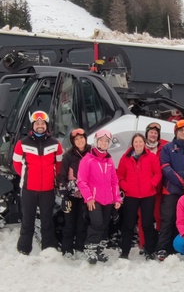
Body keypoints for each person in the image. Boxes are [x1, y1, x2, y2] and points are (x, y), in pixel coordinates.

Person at [13, 111, 63, 255]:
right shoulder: (22, 143)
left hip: (47, 189)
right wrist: (27, 176)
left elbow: (58, 164)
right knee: (27, 220)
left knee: (47, 220)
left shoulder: (55, 143)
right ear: (33, 126)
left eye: (42, 123)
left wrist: (52, 178)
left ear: (46, 125)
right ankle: (23, 249)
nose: (40, 126)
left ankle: (48, 249)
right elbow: (17, 164)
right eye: (37, 123)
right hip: (29, 189)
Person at [155, 119, 184, 261]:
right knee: (168, 219)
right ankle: (162, 248)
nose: (183, 132)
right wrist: (181, 182)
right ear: (176, 132)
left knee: (181, 221)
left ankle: (175, 247)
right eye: (181, 130)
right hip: (171, 191)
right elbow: (165, 168)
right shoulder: (167, 148)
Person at [77, 129, 122, 264]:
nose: (103, 143)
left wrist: (117, 198)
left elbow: (114, 181)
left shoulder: (109, 160)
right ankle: (90, 248)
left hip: (107, 199)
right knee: (96, 223)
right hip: (94, 199)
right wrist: (89, 198)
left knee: (104, 224)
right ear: (96, 142)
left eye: (106, 141)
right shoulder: (88, 159)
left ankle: (99, 249)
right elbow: (81, 181)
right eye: (101, 140)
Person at [117, 133, 162, 260]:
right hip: (131, 196)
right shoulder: (125, 158)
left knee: (147, 224)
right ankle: (125, 252)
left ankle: (150, 250)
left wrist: (152, 184)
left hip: (148, 195)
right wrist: (125, 187)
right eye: (136, 142)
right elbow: (120, 176)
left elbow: (158, 173)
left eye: (140, 142)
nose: (138, 144)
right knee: (128, 224)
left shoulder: (151, 157)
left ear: (144, 143)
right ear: (132, 144)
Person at [57, 128, 91, 259]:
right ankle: (67, 249)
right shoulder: (68, 156)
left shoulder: (91, 153)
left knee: (82, 222)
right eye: (76, 139)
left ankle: (80, 247)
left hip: (86, 194)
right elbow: (62, 176)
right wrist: (64, 194)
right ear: (73, 142)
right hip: (71, 194)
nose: (80, 141)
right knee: (69, 223)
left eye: (81, 138)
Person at [137, 122, 167, 254]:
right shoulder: (139, 147)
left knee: (159, 216)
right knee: (143, 218)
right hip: (143, 191)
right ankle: (144, 244)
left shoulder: (164, 147)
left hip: (159, 189)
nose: (153, 135)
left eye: (155, 133)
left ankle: (159, 244)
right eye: (151, 132)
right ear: (147, 133)